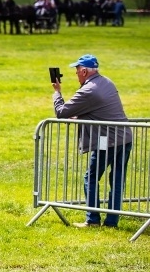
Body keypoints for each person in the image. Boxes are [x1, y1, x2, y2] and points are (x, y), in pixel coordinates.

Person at [52, 54, 132, 229]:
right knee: (117, 180)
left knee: (91, 177)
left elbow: (61, 112)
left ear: (84, 71)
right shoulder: (107, 82)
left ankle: (93, 219)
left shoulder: (88, 90)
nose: (75, 74)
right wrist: (82, 115)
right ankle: (111, 223)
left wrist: (57, 92)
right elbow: (100, 109)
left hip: (106, 140)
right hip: (125, 137)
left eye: (76, 70)